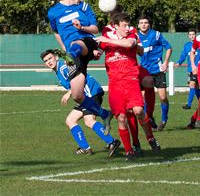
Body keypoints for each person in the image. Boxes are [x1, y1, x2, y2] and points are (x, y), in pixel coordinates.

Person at [96, 12, 161, 160]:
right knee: (121, 118)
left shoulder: (131, 33)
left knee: (138, 110)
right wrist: (96, 51)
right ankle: (129, 150)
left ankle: (150, 138)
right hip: (114, 82)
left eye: (127, 25)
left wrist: (106, 40)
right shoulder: (107, 33)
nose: (127, 28)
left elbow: (130, 44)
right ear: (116, 26)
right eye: (124, 25)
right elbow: (99, 50)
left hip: (130, 79)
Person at [47, 0, 112, 128]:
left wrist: (82, 27)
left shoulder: (83, 7)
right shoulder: (53, 12)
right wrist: (65, 49)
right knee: (77, 95)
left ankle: (72, 55)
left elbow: (95, 29)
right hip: (73, 53)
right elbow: (56, 32)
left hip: (86, 43)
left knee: (76, 44)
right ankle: (105, 114)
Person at [40, 49, 120, 156]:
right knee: (70, 120)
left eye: (50, 58)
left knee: (89, 121)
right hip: (84, 95)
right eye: (46, 61)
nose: (49, 62)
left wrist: (69, 93)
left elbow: (80, 78)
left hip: (90, 92)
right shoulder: (58, 70)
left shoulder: (63, 68)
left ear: (56, 57)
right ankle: (85, 147)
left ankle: (112, 141)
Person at [137, 15, 172, 131]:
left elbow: (169, 47)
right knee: (144, 97)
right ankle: (150, 118)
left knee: (162, 97)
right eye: (141, 22)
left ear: (149, 24)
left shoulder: (156, 34)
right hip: (145, 71)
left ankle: (164, 118)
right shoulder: (135, 37)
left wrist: (166, 62)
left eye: (146, 22)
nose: (143, 24)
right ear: (138, 25)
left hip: (158, 70)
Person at [174, 28, 200, 110]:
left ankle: (189, 104)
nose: (192, 36)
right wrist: (179, 62)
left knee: (192, 84)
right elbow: (183, 55)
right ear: (188, 36)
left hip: (198, 69)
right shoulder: (187, 45)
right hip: (190, 69)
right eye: (190, 35)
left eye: (193, 34)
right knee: (196, 87)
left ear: (195, 35)